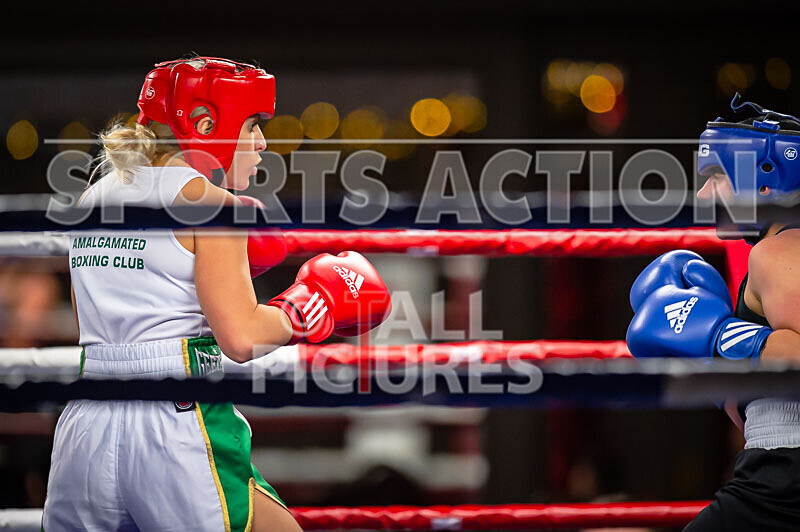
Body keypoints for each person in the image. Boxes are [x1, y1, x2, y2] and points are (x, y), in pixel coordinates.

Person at [42, 56, 392, 531]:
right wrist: (308, 306)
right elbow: (242, 337)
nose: (262, 142)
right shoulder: (213, 206)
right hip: (174, 417)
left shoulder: (93, 196)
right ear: (207, 124)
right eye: (251, 125)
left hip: (86, 423)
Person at [627, 95, 800, 530]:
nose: (704, 193)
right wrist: (711, 356)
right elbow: (762, 411)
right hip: (773, 468)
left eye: (717, 175)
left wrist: (718, 333)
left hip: (784, 482)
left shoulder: (780, 250)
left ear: (766, 179)